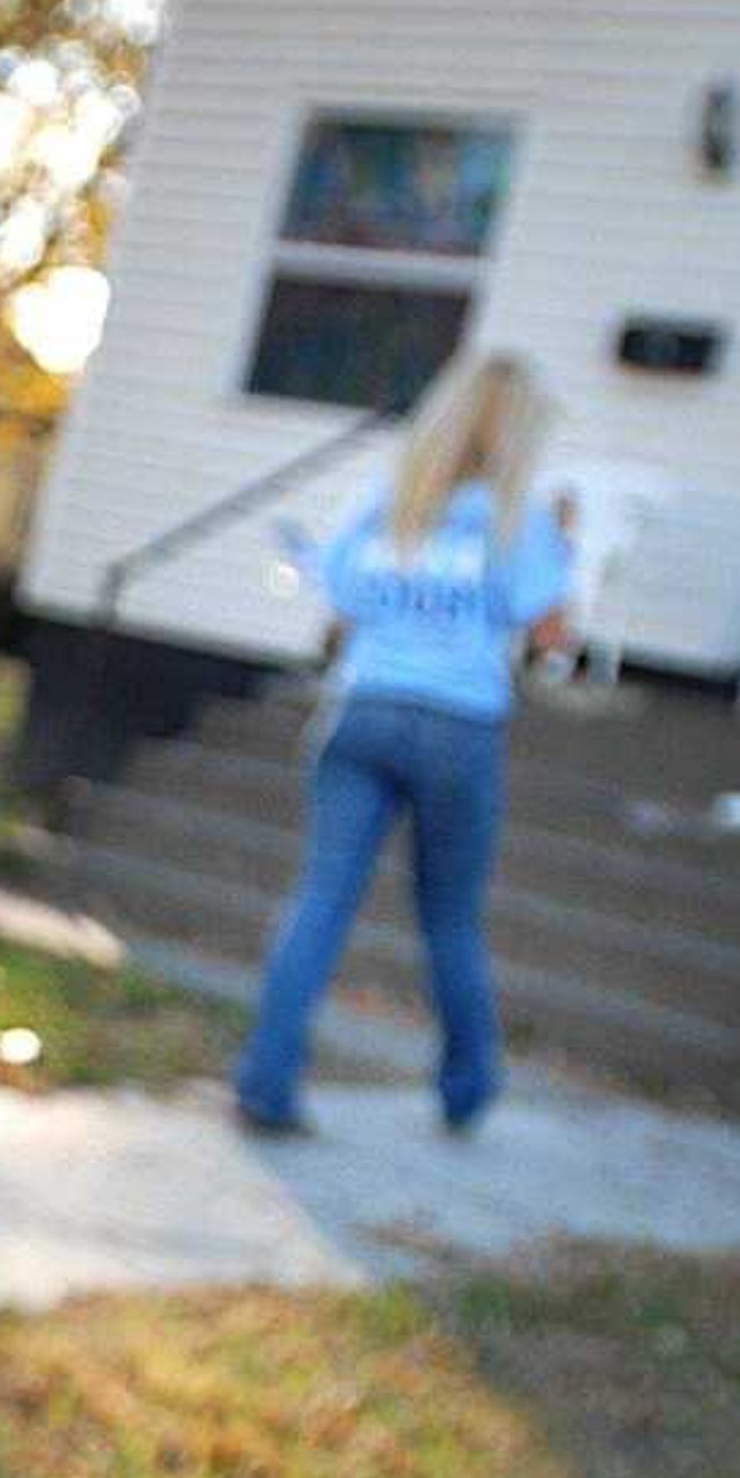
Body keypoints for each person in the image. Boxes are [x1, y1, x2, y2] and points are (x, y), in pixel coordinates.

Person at [234, 349, 574, 1139]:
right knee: (450, 916)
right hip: (459, 726)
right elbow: (551, 636)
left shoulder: (388, 501)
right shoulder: (520, 521)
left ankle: (266, 1082)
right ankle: (466, 1087)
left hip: (363, 712)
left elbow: (343, 600)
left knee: (321, 898)